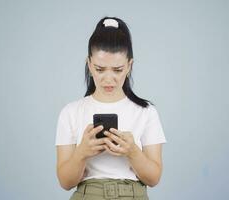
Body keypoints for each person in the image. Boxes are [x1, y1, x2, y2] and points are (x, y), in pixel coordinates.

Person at [55, 16, 167, 200]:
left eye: (117, 70)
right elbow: (65, 183)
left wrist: (132, 151)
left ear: (129, 66)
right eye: (100, 69)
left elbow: (154, 178)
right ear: (89, 64)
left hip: (133, 194)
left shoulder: (146, 112)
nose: (108, 79)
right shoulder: (71, 112)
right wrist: (81, 153)